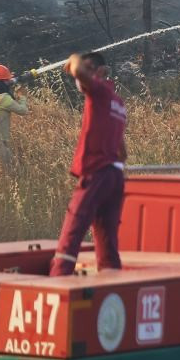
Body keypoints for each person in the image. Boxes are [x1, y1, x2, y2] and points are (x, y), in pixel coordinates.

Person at [50, 51, 128, 276]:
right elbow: (123, 151)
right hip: (115, 177)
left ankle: (58, 281)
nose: (83, 77)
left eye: (89, 69)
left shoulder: (101, 92)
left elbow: (76, 70)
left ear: (100, 72)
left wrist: (74, 59)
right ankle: (111, 282)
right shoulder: (118, 103)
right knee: (106, 238)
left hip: (97, 172)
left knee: (74, 228)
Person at [0, 64, 29, 164]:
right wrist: (22, 96)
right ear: (2, 83)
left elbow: (3, 90)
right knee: (9, 169)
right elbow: (23, 110)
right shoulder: (3, 99)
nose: (9, 82)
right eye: (6, 80)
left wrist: (9, 81)